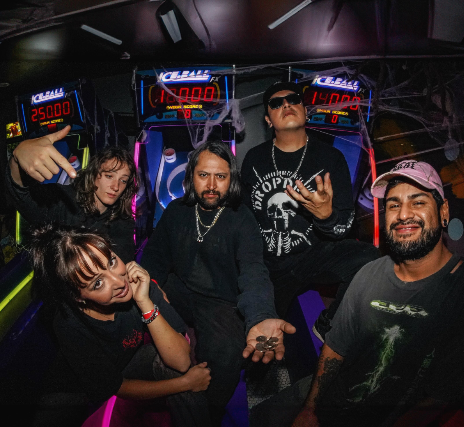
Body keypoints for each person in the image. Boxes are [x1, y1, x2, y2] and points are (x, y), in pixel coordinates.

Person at [279, 160, 464, 427]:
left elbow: (441, 395)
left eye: (418, 202)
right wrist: (310, 408)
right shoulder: (369, 273)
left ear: (443, 210)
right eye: (393, 205)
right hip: (332, 403)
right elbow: (335, 348)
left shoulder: (460, 291)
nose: (403, 215)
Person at [140, 140, 296, 425]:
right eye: (203, 175)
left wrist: (261, 316)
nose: (211, 185)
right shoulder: (176, 211)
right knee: (141, 307)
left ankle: (209, 413)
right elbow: (155, 258)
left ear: (230, 180)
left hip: (220, 301)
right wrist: (152, 285)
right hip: (179, 289)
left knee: (226, 356)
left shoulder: (242, 219)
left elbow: (253, 270)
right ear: (191, 177)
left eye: (220, 177)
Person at [29, 225, 212, 427]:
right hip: (85, 397)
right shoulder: (69, 324)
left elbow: (181, 361)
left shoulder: (138, 281)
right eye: (98, 283)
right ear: (78, 298)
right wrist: (184, 384)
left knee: (170, 361)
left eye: (112, 262)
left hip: (130, 364)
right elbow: (114, 387)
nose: (118, 281)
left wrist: (145, 302)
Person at [241, 81, 380, 341]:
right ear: (268, 120)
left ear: (306, 111)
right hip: (268, 267)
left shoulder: (330, 158)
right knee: (263, 343)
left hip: (312, 256)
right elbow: (245, 220)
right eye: (276, 103)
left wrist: (326, 216)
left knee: (371, 260)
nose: (286, 105)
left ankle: (328, 325)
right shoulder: (254, 159)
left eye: (294, 100)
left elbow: (344, 226)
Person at [5, 125, 136, 262]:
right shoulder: (65, 200)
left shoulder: (122, 222)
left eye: (123, 180)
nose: (116, 186)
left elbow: (121, 264)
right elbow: (23, 196)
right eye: (109, 176)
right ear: (93, 174)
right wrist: (17, 158)